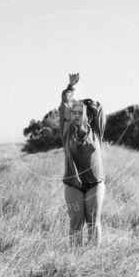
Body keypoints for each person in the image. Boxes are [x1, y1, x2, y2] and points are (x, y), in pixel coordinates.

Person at [59, 72, 106, 246]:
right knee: (76, 225)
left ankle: (93, 261)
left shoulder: (96, 132)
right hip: (73, 185)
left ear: (86, 114)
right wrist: (71, 87)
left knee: (94, 224)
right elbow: (65, 103)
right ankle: (76, 261)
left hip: (95, 183)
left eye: (80, 112)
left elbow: (99, 107)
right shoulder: (66, 131)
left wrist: (86, 102)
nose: (76, 115)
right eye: (74, 113)